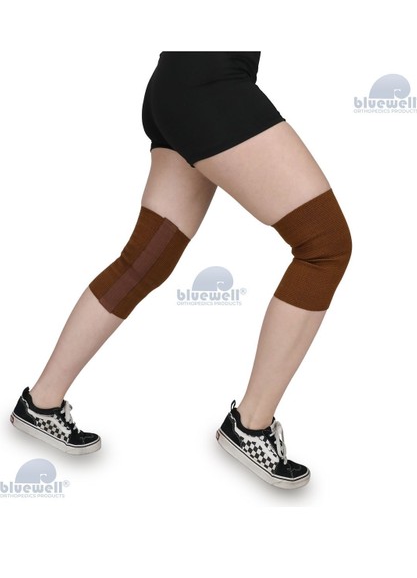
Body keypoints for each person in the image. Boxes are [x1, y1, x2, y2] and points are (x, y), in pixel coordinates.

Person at [10, 51, 352, 490]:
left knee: (145, 260)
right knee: (324, 247)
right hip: (210, 88)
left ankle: (41, 403)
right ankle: (251, 425)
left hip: (177, 85)